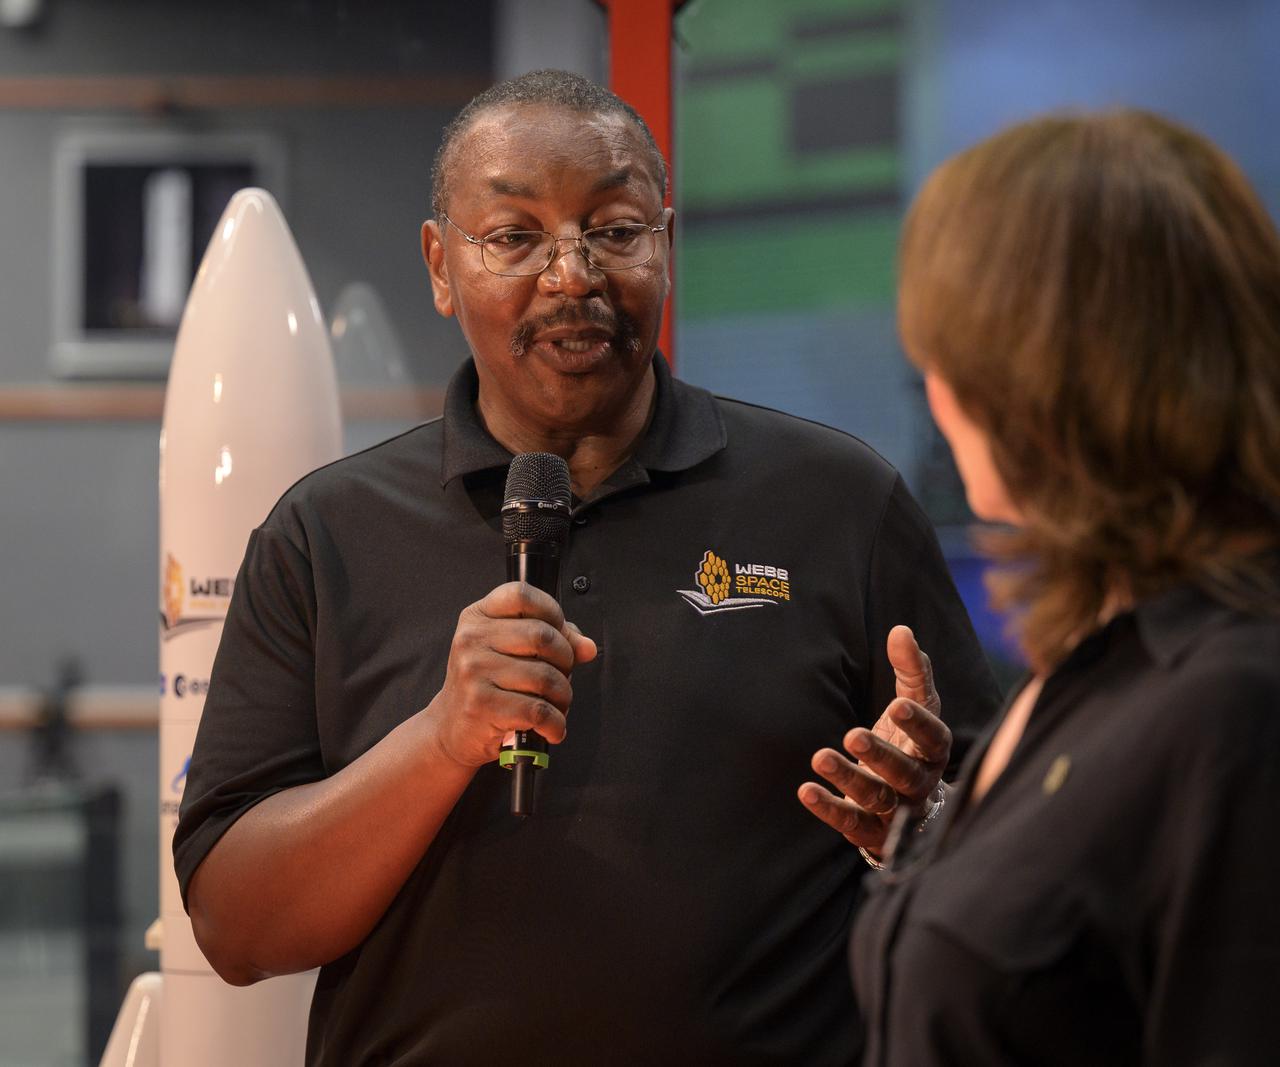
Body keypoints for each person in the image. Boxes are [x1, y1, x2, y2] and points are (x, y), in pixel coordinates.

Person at [174, 69, 999, 1065]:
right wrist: (439, 739)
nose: (572, 276)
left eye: (613, 229)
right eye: (513, 236)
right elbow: (235, 928)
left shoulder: (838, 502)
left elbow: (1008, 854)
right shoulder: (324, 536)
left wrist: (923, 823)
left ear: (665, 245)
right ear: (440, 265)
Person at [852, 109, 1280, 1066]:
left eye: (946, 355)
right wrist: (937, 832)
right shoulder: (1105, 652)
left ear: (1037, 382)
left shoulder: (1235, 706)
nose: (933, 391)